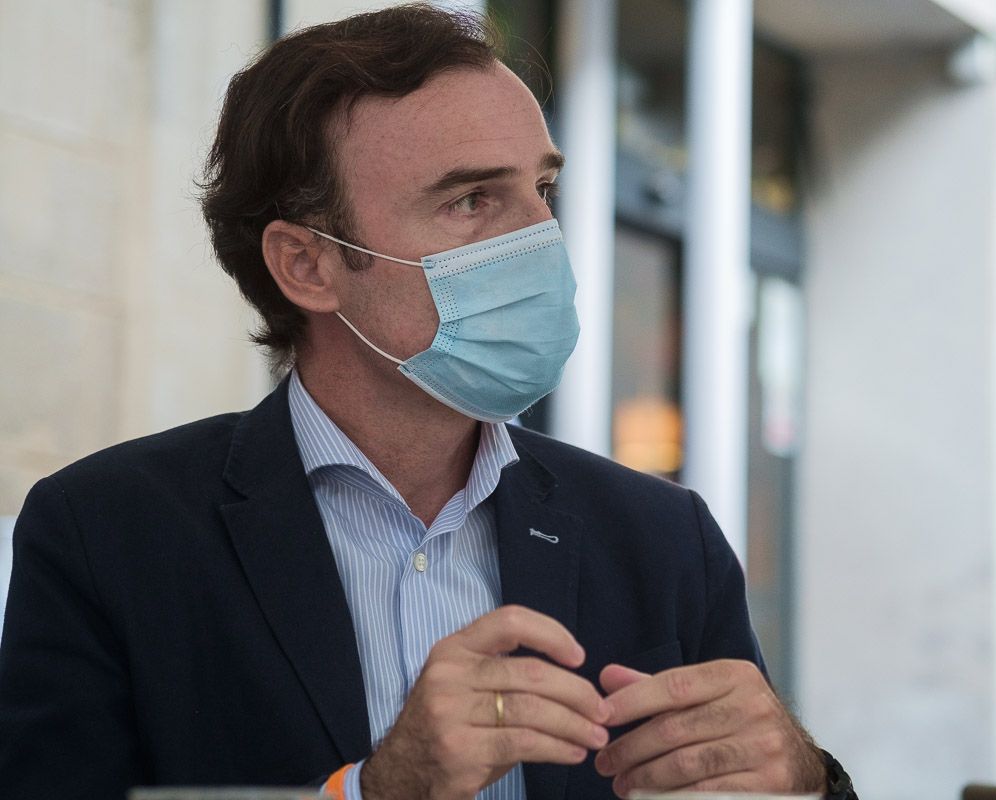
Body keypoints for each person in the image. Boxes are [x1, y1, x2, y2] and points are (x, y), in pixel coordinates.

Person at [0, 5, 855, 800]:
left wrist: (804, 780)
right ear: (307, 264)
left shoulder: (664, 539)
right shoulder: (106, 534)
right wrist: (373, 791)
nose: (541, 239)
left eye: (542, 190)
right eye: (472, 200)